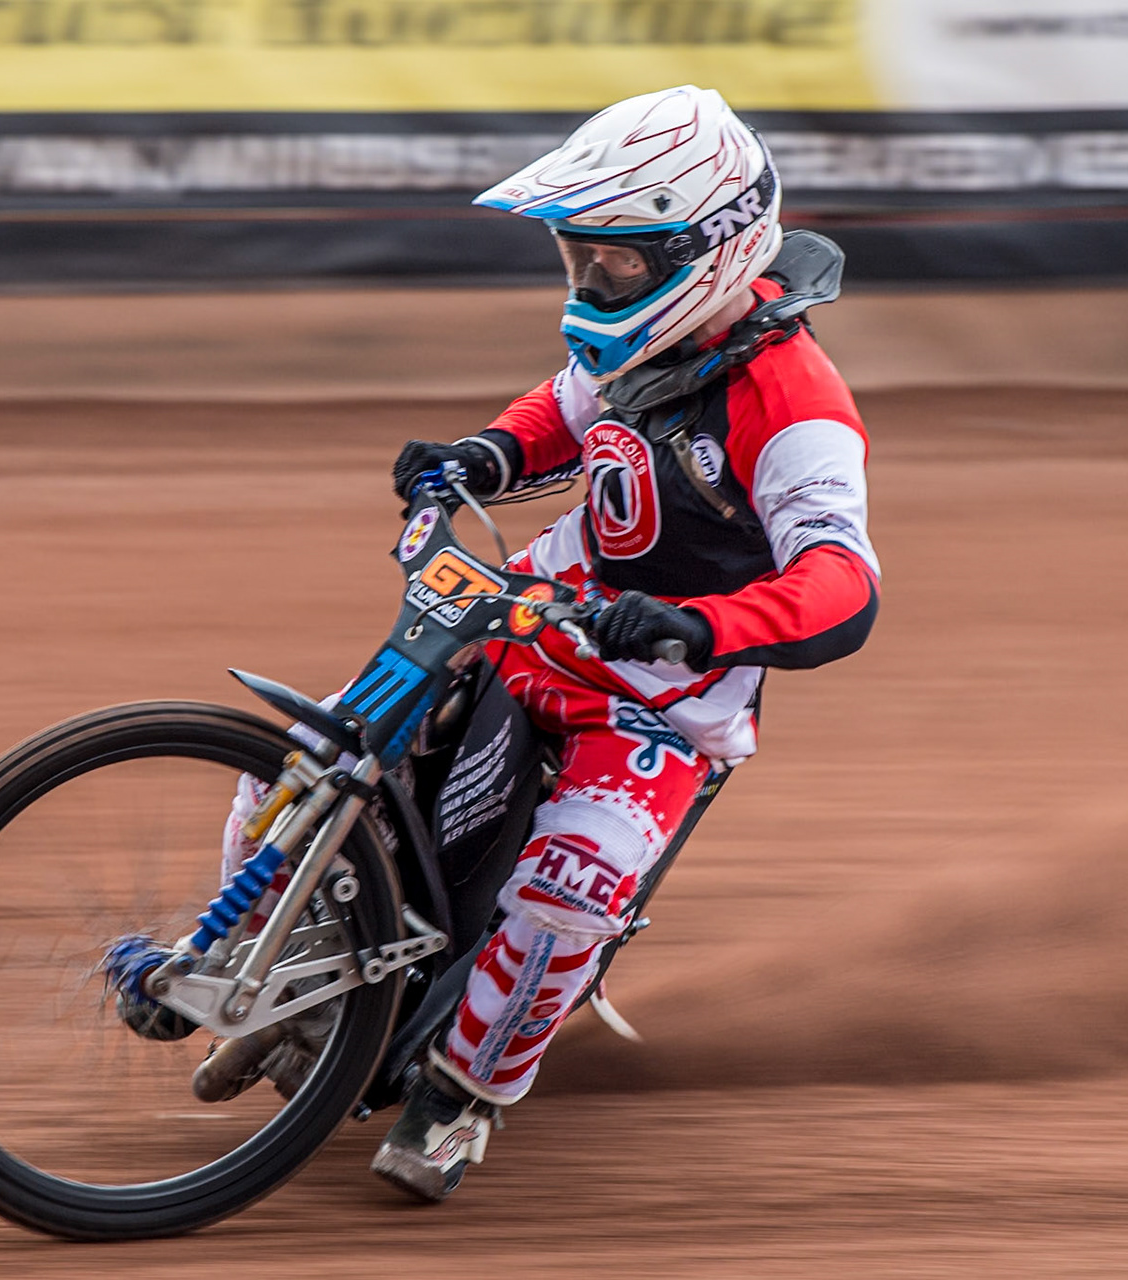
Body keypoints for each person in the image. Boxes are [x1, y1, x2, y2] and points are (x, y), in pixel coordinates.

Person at [357, 84, 883, 1201]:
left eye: (616, 262)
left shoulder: (797, 402)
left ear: (705, 250)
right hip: (538, 609)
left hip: (658, 695)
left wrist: (698, 626)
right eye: (579, 257)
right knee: (337, 746)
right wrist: (480, 456)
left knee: (571, 885)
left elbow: (842, 584)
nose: (591, 282)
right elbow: (565, 405)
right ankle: (250, 950)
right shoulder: (652, 333)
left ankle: (458, 1098)